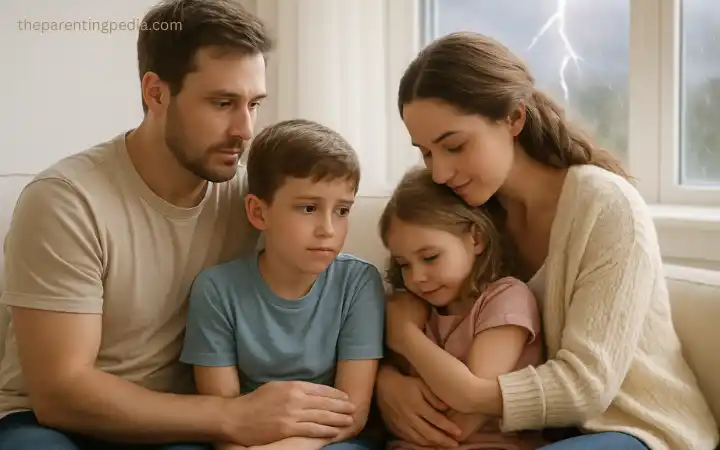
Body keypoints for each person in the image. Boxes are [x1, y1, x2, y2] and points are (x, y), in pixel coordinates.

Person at [0, 1, 357, 448]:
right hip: (50, 426)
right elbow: (60, 393)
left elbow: (339, 279)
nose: (246, 130)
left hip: (181, 425)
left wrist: (397, 386)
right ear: (156, 93)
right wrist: (231, 414)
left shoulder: (252, 201)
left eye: (254, 104)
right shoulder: (67, 200)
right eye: (223, 103)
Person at [374, 31, 720, 450]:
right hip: (528, 437)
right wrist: (387, 384)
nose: (441, 172)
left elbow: (587, 385)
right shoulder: (467, 215)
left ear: (514, 119)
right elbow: (413, 314)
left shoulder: (606, 206)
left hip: (634, 429)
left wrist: (464, 393)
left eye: (455, 145)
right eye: (427, 153)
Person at [179, 119, 386, 450]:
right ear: (259, 213)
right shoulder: (216, 290)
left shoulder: (358, 282)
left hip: (329, 441)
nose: (328, 229)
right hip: (245, 437)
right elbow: (224, 415)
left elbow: (353, 413)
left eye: (343, 210)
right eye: (309, 208)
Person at [377, 166, 548, 450]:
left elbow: (465, 413)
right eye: (404, 264)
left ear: (476, 238)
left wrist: (406, 337)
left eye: (430, 257)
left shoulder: (506, 299)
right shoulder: (411, 307)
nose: (417, 276)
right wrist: (389, 381)